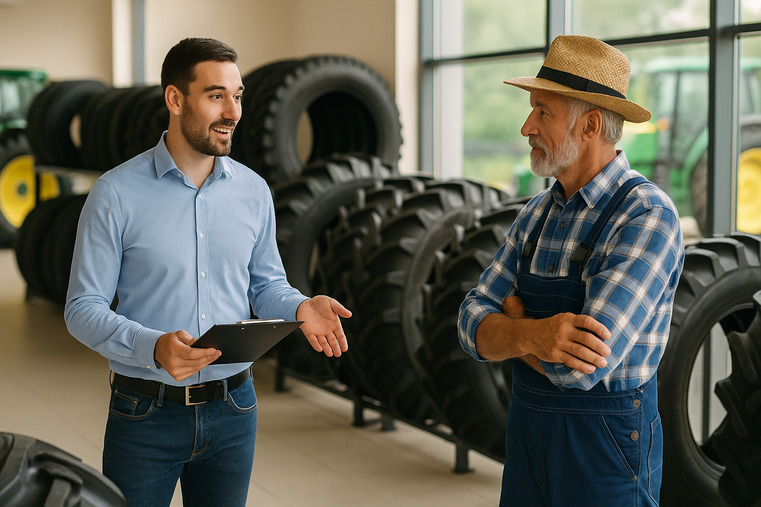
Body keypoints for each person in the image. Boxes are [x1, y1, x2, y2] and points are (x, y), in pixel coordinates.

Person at [64, 37, 351, 507]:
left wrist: (301, 305)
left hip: (235, 408)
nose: (233, 112)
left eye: (237, 96)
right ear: (175, 100)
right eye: (216, 95)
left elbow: (265, 285)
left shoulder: (254, 191)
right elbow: (82, 309)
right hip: (145, 413)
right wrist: (152, 346)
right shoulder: (114, 194)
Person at [457, 35, 685, 506]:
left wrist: (512, 328)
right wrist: (534, 335)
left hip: (606, 456)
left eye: (544, 112)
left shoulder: (646, 216)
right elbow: (467, 322)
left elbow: (580, 370)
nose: (526, 126)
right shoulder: (536, 214)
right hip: (528, 443)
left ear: (591, 125)